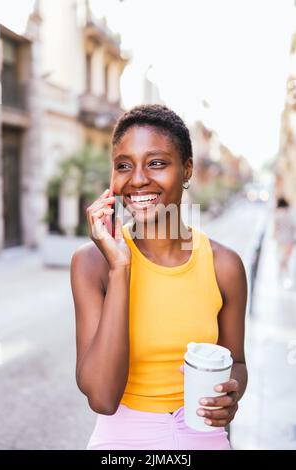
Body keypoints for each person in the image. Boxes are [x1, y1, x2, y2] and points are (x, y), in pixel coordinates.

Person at [70, 104, 248, 450]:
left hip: (203, 438)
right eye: (124, 165)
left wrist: (232, 394)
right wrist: (120, 268)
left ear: (186, 170)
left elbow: (236, 362)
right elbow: (103, 399)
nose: (137, 179)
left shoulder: (224, 265)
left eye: (156, 163)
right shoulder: (91, 264)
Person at [273, 196, 295, 288]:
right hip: (289, 240)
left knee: (282, 260)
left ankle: (282, 276)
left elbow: (275, 229)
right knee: (286, 260)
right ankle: (285, 277)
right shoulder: (291, 213)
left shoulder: (277, 214)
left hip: (280, 240)